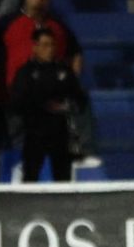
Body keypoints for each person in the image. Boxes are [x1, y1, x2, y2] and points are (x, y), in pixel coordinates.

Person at [11, 28, 87, 183]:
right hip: (34, 131)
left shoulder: (64, 71)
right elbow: (17, 102)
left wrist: (67, 106)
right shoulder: (25, 73)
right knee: (31, 176)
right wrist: (43, 104)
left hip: (60, 132)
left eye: (52, 45)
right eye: (45, 45)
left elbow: (79, 99)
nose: (50, 49)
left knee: (62, 178)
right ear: (35, 47)